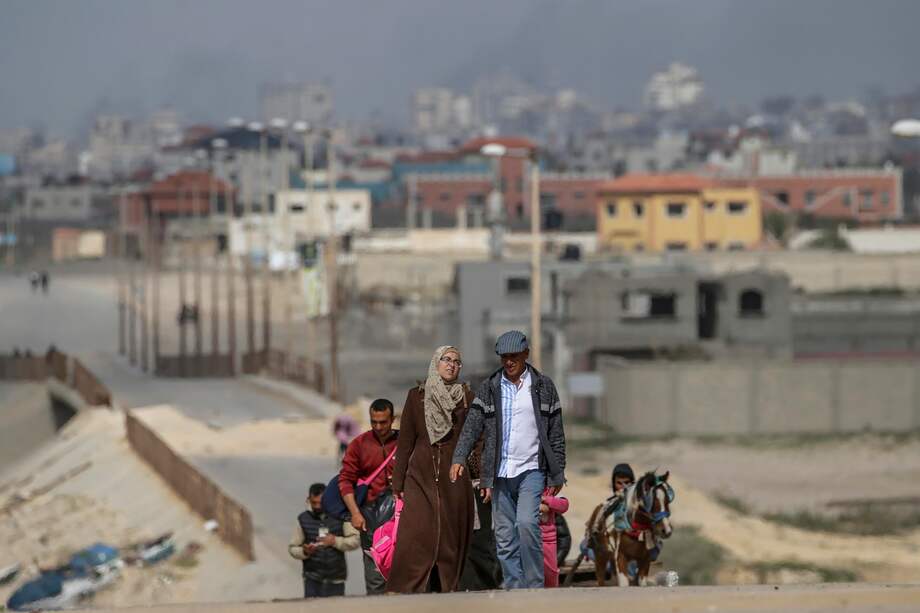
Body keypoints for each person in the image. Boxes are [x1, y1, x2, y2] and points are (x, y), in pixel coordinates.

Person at [450, 330, 567, 590]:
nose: (509, 362)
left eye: (514, 357)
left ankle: (535, 586)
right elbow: (472, 425)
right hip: (500, 472)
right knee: (503, 537)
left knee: (526, 523)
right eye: (504, 357)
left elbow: (556, 432)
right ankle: (515, 588)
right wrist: (459, 456)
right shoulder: (490, 387)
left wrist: (557, 472)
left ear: (526, 354)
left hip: (532, 470)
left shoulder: (543, 386)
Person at [388, 346, 475, 593]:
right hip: (420, 474)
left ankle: (446, 588)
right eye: (446, 359)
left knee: (449, 534)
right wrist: (398, 483)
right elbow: (405, 442)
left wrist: (481, 477)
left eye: (457, 361)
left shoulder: (467, 397)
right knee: (416, 531)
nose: (451, 364)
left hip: (454, 475)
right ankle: (408, 588)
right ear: (436, 363)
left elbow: (476, 439)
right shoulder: (417, 396)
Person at [338, 398, 398, 595]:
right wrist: (355, 513)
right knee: (376, 579)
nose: (379, 427)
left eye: (383, 422)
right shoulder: (359, 445)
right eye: (374, 422)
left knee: (404, 577)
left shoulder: (404, 442)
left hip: (402, 519)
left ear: (392, 419)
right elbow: (345, 481)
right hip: (371, 520)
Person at [288, 483, 359, 598]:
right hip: (312, 578)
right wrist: (305, 551)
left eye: (320, 503)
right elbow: (292, 548)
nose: (317, 506)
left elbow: (355, 541)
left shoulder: (341, 515)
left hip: (336, 579)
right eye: (314, 503)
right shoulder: (303, 519)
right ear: (309, 500)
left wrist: (335, 541)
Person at [540, 489, 569, 587]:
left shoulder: (551, 490)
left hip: (548, 542)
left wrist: (545, 499)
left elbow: (564, 504)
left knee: (550, 577)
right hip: (528, 539)